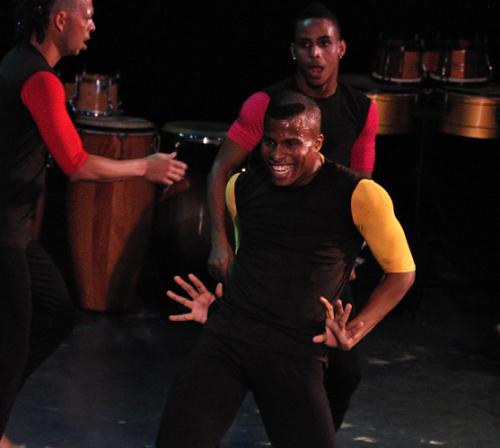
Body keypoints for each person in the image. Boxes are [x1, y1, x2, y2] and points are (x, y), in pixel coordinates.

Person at [157, 90, 415, 448]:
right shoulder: (241, 187)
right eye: (270, 142)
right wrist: (221, 304)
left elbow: (402, 272)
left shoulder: (358, 195)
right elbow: (255, 263)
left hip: (295, 351)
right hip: (228, 339)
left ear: (318, 142)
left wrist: (356, 330)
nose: (277, 155)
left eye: (292, 143)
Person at [0, 1, 187, 447]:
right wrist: (144, 167)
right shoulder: (39, 79)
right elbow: (76, 164)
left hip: (15, 229)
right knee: (13, 342)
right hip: (4, 231)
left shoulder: (17, 60)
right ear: (59, 20)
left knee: (53, 314)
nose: (92, 25)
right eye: (86, 15)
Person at [206, 1, 378, 431]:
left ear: (341, 48)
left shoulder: (361, 110)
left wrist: (351, 255)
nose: (314, 53)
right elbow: (221, 170)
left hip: (322, 259)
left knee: (344, 371)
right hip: (270, 250)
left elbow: (362, 187)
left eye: (324, 43)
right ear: (293, 51)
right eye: (305, 44)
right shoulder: (267, 104)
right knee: (246, 355)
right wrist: (220, 241)